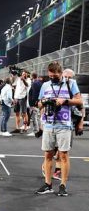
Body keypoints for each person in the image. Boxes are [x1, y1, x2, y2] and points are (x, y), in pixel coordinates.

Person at [35, 61, 82, 197]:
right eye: (50, 76)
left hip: (64, 124)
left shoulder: (70, 83)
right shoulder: (45, 85)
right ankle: (48, 184)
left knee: (63, 156)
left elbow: (79, 102)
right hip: (49, 124)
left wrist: (64, 101)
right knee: (48, 155)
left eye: (55, 76)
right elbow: (38, 104)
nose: (52, 78)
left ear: (61, 73)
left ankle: (63, 185)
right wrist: (43, 103)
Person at [27, 72, 43, 138]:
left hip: (34, 103)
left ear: (32, 76)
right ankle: (39, 129)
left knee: (34, 117)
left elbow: (34, 94)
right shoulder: (39, 83)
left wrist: (33, 103)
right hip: (37, 102)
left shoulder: (34, 83)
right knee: (38, 117)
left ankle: (35, 130)